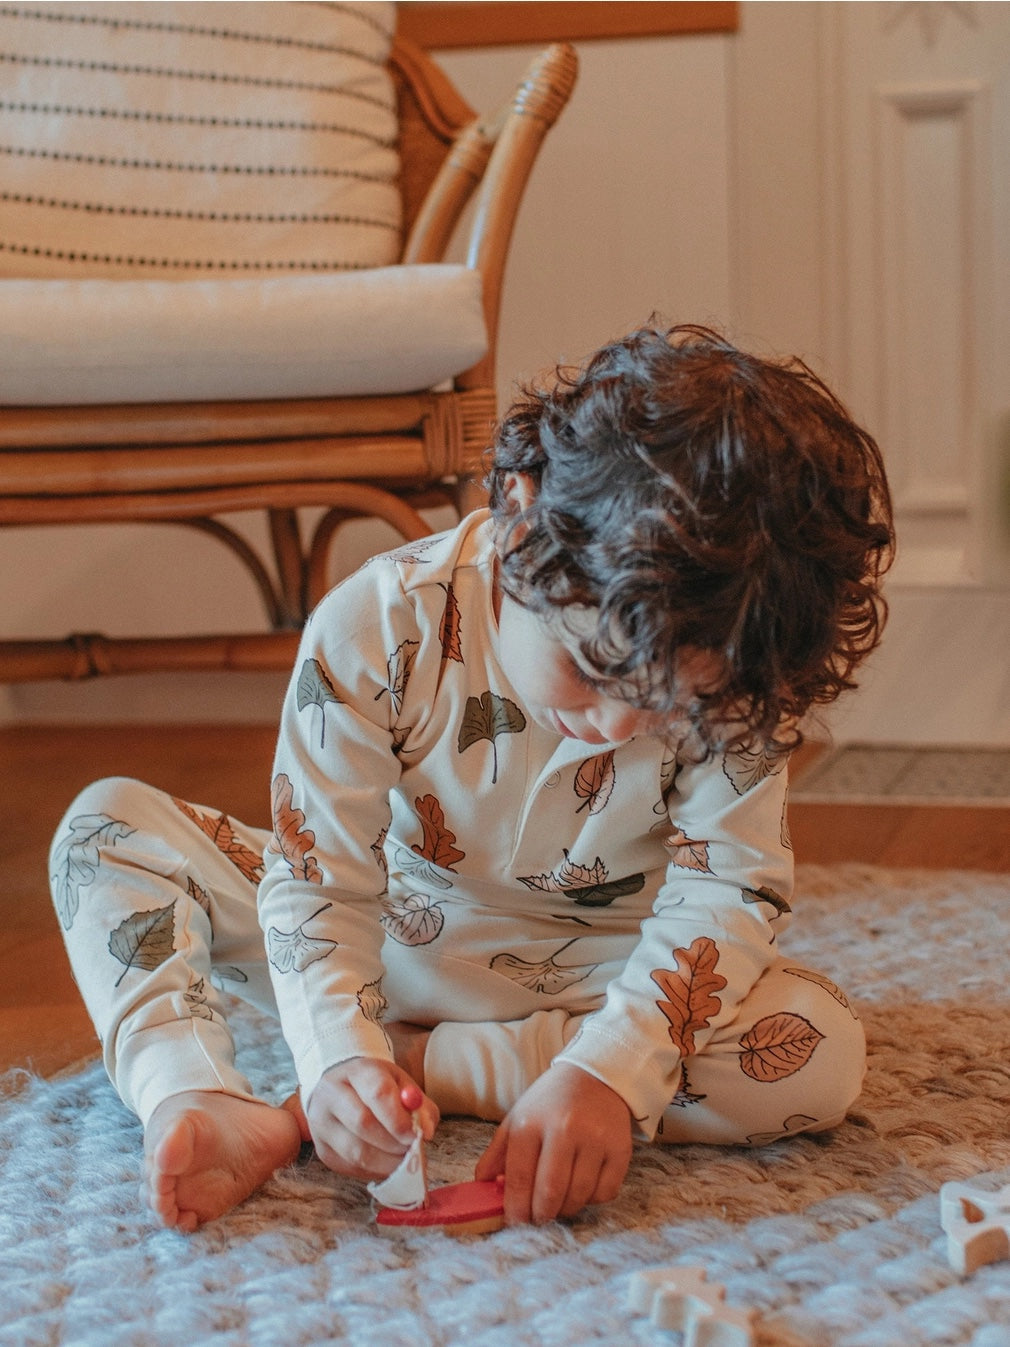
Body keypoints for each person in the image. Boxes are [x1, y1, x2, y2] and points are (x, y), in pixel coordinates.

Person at [50, 324, 894, 1233]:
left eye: (663, 710)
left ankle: (436, 1069)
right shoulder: (378, 622)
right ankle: (197, 1093)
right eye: (593, 669)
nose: (614, 725)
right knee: (107, 829)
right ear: (522, 515)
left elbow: (725, 889)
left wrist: (609, 1071)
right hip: (390, 932)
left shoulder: (736, 659)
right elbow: (317, 876)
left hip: (600, 970)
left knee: (816, 1051)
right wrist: (335, 1051)